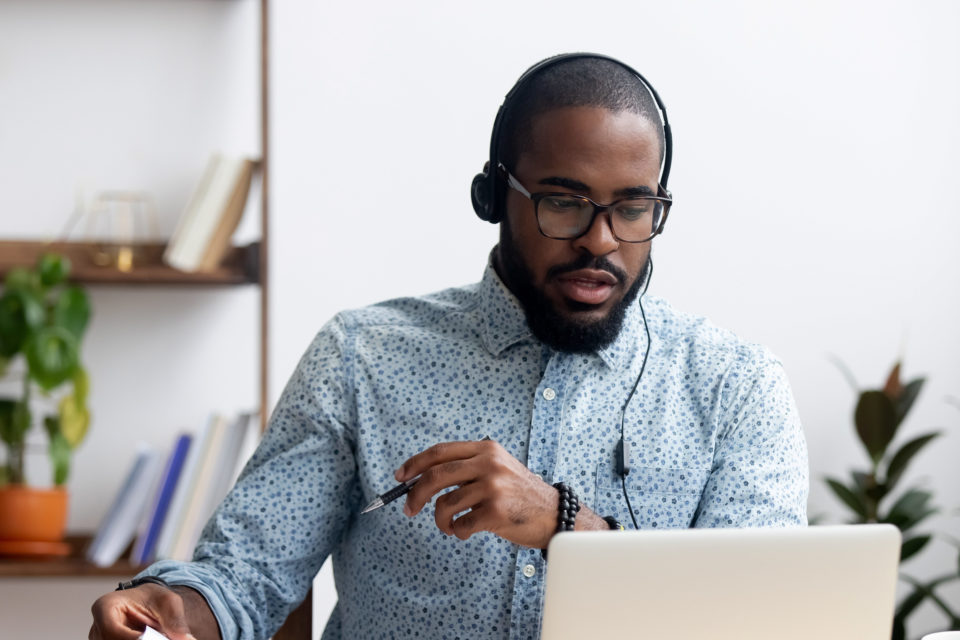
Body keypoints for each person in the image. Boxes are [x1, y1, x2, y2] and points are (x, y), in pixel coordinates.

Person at [89, 53, 808, 640]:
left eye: (633, 208)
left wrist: (568, 526)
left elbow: (761, 621)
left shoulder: (735, 386)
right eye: (564, 202)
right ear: (495, 198)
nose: (601, 239)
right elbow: (245, 577)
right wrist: (170, 607)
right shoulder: (360, 357)